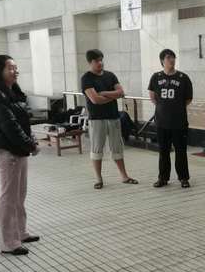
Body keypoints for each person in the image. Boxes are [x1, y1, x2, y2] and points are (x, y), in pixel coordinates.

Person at [0, 55, 40, 256]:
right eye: (10, 68)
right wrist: (30, 144)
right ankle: (8, 242)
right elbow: (10, 126)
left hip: (19, 149)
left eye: (16, 67)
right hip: (8, 150)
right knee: (9, 195)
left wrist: (31, 140)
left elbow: (23, 122)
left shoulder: (13, 92)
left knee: (19, 194)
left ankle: (20, 233)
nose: (15, 71)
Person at [81, 49, 138, 189]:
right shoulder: (86, 78)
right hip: (96, 119)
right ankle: (99, 179)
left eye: (101, 60)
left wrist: (104, 93)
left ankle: (124, 176)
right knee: (97, 149)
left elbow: (121, 92)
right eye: (97, 61)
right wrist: (113, 96)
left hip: (113, 117)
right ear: (90, 62)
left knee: (117, 147)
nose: (100, 63)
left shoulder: (110, 75)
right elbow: (95, 100)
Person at [148, 49, 193, 188]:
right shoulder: (156, 77)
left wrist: (175, 108)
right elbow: (153, 97)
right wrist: (164, 108)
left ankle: (183, 178)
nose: (171, 60)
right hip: (162, 122)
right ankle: (163, 178)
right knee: (163, 151)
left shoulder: (183, 78)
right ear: (162, 61)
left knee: (181, 151)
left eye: (173, 57)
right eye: (168, 57)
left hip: (179, 122)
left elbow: (188, 99)